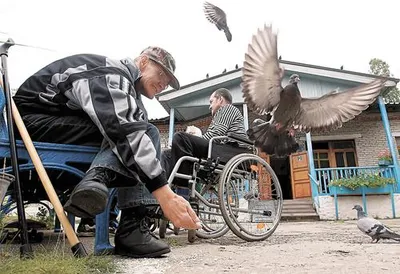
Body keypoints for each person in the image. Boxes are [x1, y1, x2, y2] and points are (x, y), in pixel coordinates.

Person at [12, 46, 201, 258]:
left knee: (141, 130)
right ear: (143, 62)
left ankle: (99, 184)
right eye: (161, 74)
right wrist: (165, 195)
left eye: (167, 82)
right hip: (29, 122)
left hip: (52, 120)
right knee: (142, 132)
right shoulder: (110, 73)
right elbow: (126, 131)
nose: (163, 84)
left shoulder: (126, 88)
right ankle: (128, 224)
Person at [164, 88, 251, 187]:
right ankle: (166, 189)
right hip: (219, 150)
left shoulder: (227, 108)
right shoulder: (220, 115)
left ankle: (183, 188)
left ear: (220, 99)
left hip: (230, 152)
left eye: (211, 102)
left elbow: (216, 134)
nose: (210, 106)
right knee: (167, 154)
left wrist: (194, 140)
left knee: (180, 138)